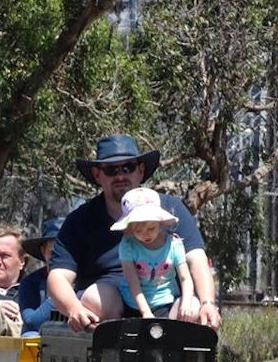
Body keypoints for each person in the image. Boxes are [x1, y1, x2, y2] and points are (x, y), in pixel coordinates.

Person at [47, 134, 221, 332]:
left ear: (140, 170)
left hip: (167, 304)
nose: (120, 176)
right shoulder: (80, 221)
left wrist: (208, 303)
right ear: (97, 175)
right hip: (109, 311)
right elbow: (58, 276)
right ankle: (112, 348)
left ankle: (170, 348)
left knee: (194, 307)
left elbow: (197, 259)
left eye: (128, 167)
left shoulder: (171, 210)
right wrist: (74, 308)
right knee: (95, 298)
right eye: (111, 170)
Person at [111, 187, 194, 319]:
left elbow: (185, 278)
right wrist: (145, 312)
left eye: (151, 228)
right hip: (133, 303)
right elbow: (132, 281)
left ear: (160, 223)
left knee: (192, 307)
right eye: (138, 231)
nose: (146, 234)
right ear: (130, 229)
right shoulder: (128, 246)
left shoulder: (174, 245)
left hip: (164, 301)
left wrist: (186, 303)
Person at [18, 216, 65, 336]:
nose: (60, 257)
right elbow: (31, 321)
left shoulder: (86, 281)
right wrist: (61, 292)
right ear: (43, 251)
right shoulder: (31, 282)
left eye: (66, 251)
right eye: (53, 252)